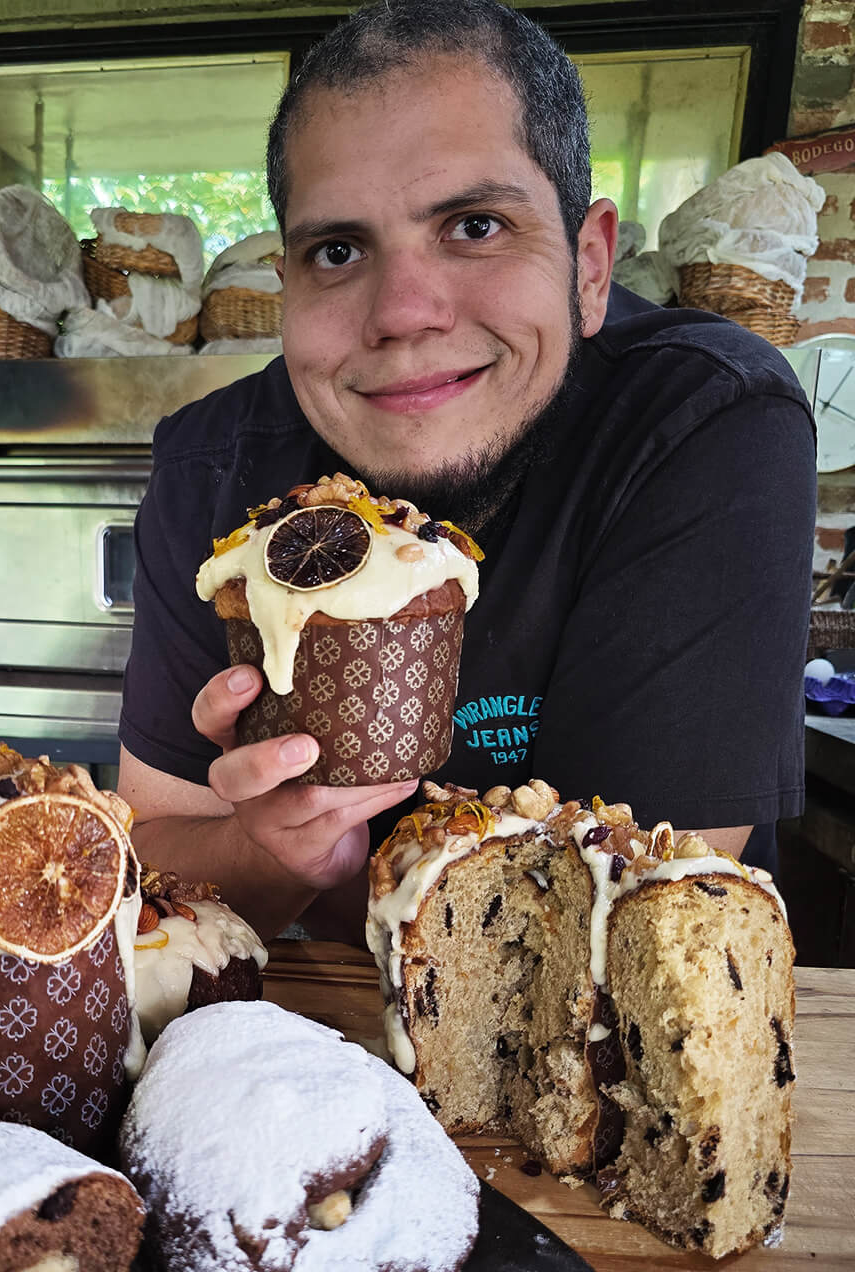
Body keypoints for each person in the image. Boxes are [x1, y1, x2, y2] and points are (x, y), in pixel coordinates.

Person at [117, 0, 816, 942]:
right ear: (286, 289)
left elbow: (642, 922)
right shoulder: (214, 469)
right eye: (337, 250)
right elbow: (152, 858)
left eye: (476, 226)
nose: (403, 311)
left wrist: (332, 887)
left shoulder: (703, 422)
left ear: (591, 264)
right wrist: (273, 853)